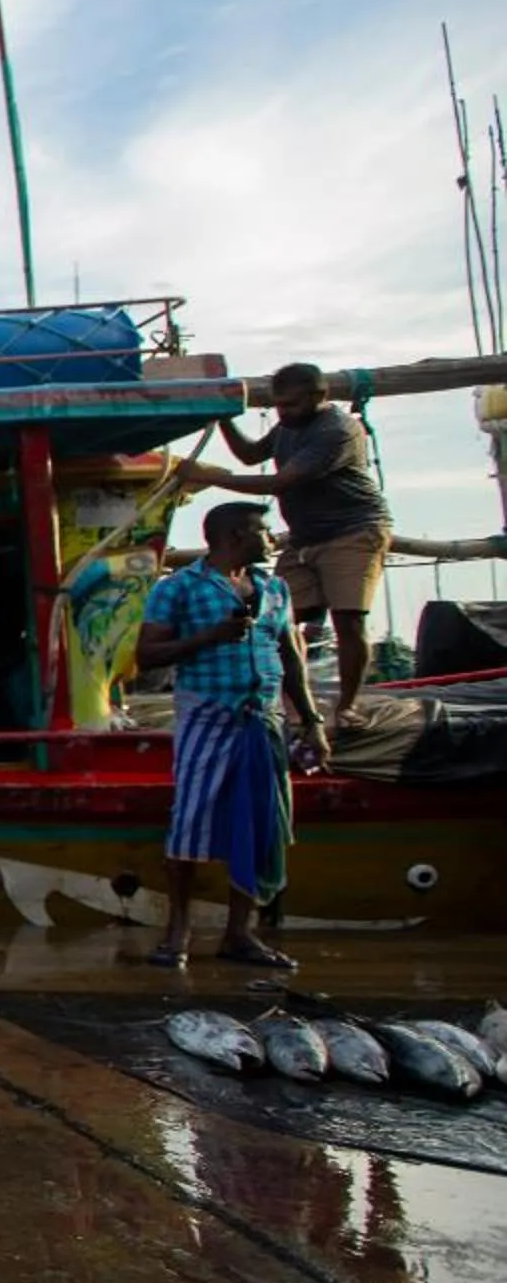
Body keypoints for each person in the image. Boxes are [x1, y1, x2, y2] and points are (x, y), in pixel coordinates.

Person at [135, 501, 324, 973]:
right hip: (208, 714)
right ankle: (178, 929)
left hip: (265, 717)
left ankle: (240, 933)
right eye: (264, 530)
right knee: (191, 819)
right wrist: (212, 636)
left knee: (260, 824)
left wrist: (313, 720)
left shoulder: (274, 589)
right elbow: (148, 654)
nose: (272, 537)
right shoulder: (179, 588)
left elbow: (291, 658)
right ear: (237, 535)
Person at [186, 363, 391, 725]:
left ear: (319, 397)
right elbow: (250, 455)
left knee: (349, 620)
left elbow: (281, 482)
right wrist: (223, 418)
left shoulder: (337, 431)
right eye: (278, 405)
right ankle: (297, 706)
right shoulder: (289, 425)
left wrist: (209, 478)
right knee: (280, 619)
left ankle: (348, 706)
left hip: (353, 530)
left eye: (292, 405)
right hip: (305, 536)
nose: (284, 413)